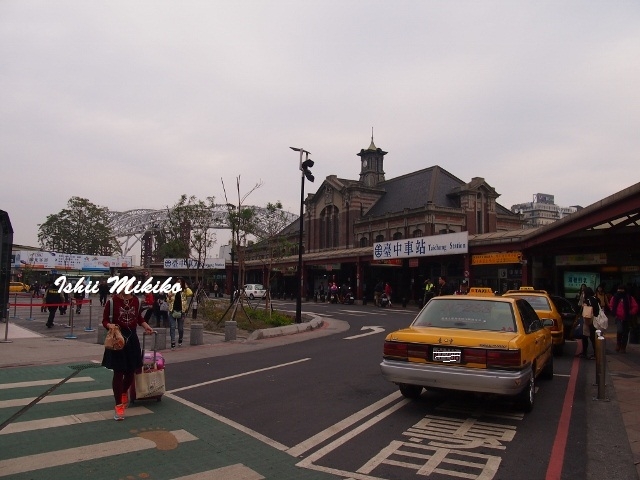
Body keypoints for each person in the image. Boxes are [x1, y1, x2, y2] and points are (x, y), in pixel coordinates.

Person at [101, 292, 154, 420]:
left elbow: (138, 317)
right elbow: (105, 320)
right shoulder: (112, 301)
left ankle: (124, 391)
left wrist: (146, 326)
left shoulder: (136, 300)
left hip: (132, 339)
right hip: (117, 339)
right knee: (118, 372)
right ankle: (118, 405)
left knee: (131, 371)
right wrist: (109, 325)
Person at [609, 285, 639, 353]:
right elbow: (611, 305)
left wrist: (631, 312)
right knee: (619, 331)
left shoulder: (629, 298)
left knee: (625, 332)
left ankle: (623, 347)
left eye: (622, 289)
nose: (620, 291)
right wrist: (614, 311)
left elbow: (635, 306)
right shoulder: (615, 297)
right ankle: (618, 344)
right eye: (619, 289)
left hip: (627, 317)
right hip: (618, 317)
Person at [166, 278, 193, 350]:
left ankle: (180, 339)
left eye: (180, 282)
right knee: (172, 327)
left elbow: (190, 293)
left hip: (181, 312)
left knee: (180, 328)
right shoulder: (172, 290)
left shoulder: (184, 291)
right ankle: (173, 342)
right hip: (172, 311)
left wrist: (186, 286)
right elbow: (168, 301)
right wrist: (169, 297)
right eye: (177, 282)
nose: (178, 283)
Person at [577, 287, 599, 359]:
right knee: (592, 337)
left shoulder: (587, 300)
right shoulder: (595, 299)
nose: (583, 294)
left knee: (586, 337)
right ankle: (595, 353)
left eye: (584, 293)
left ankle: (586, 353)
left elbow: (586, 312)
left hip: (588, 320)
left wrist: (584, 306)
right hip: (595, 319)